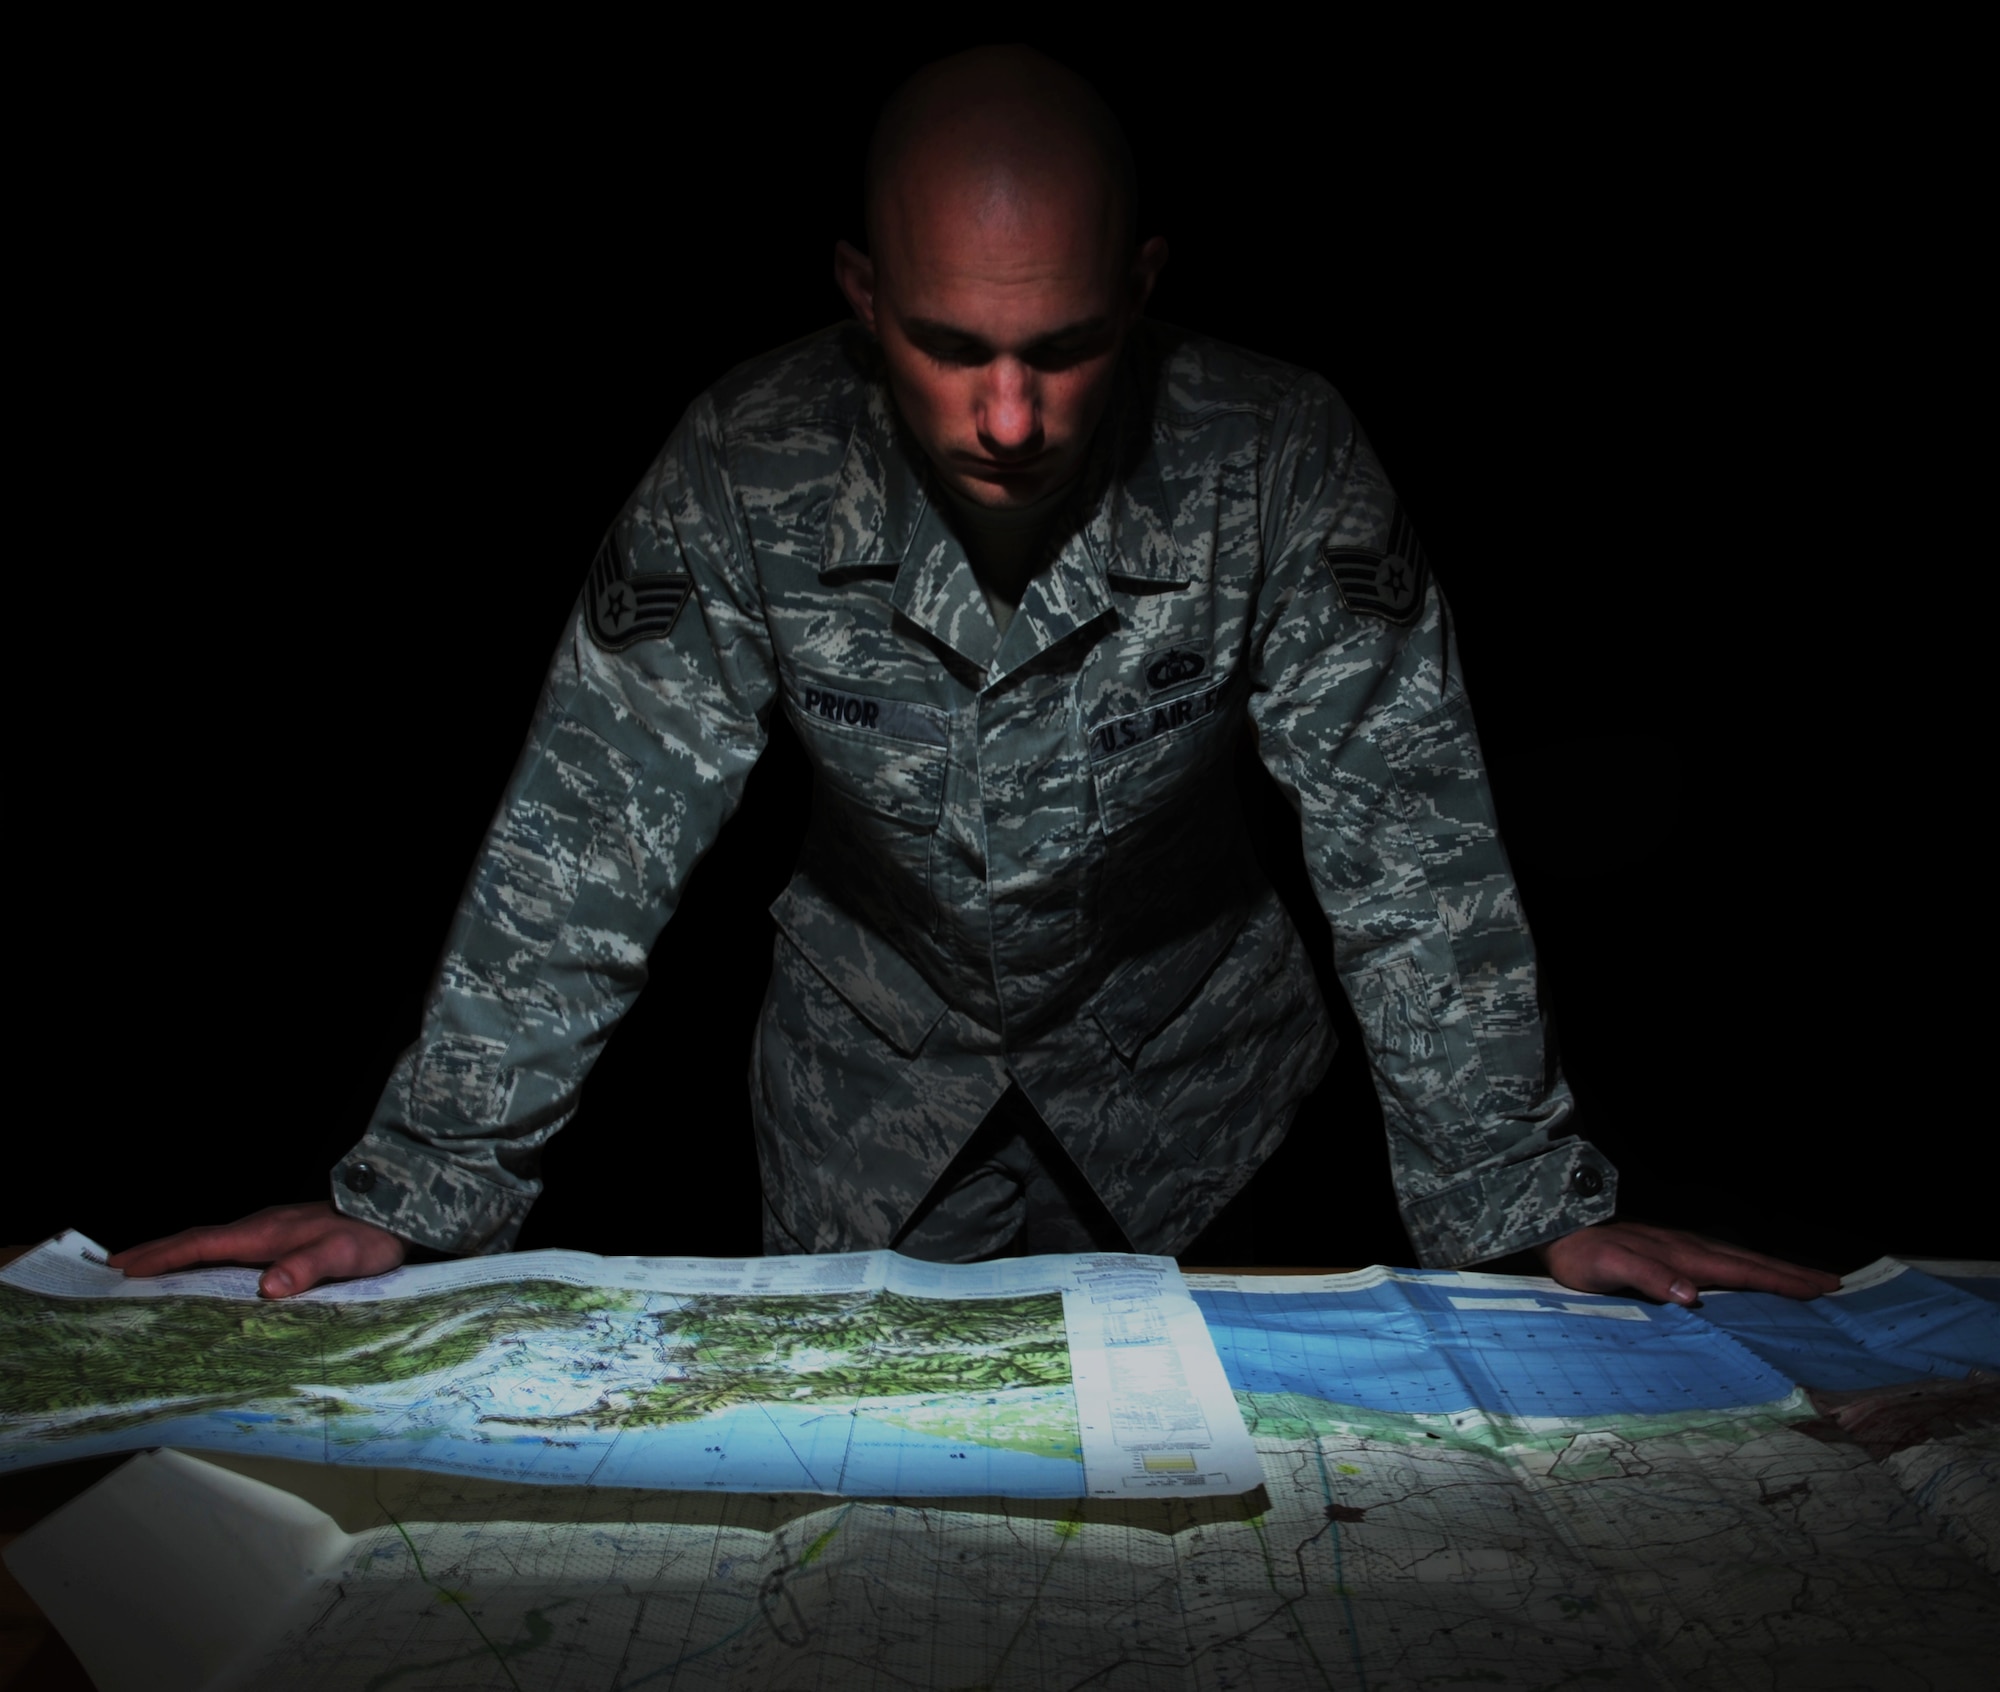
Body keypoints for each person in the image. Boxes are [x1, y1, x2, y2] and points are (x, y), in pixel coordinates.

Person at [112, 47, 1836, 1309]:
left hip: (1205, 1108)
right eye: (950, 349)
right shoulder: (742, 461)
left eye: (1065, 349)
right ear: (862, 295)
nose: (1008, 420)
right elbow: (592, 835)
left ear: (1143, 295)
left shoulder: (1282, 456)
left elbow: (1408, 842)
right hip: (866, 1110)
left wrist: (1526, 1203)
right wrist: (418, 1194)